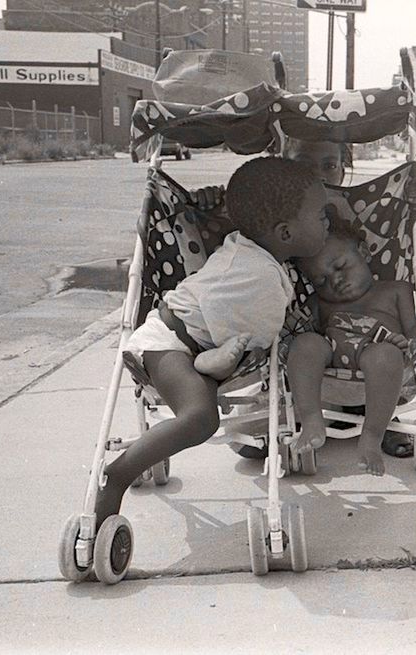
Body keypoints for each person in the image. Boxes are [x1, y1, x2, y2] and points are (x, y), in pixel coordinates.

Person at [93, 158, 329, 527]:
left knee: (205, 397)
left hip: (192, 347)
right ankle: (117, 475)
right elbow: (262, 335)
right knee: (200, 418)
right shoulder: (257, 274)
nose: (327, 222)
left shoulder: (251, 248)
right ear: (284, 234)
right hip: (168, 343)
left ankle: (210, 365)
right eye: (321, 216)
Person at [195, 138, 416, 458]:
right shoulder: (281, 226)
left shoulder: (368, 223)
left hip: (379, 370)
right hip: (321, 377)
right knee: (244, 437)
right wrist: (210, 210)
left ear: (344, 168)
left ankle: (376, 421)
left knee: (382, 358)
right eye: (304, 166)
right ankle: (318, 419)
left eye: (329, 166)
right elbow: (243, 245)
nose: (318, 175)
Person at [286, 221, 416, 476]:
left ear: (364, 252)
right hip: (333, 363)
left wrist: (413, 346)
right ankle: (311, 418)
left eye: (340, 266)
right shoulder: (320, 303)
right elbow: (299, 331)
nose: (335, 280)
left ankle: (372, 437)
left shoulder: (395, 290)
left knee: (385, 355)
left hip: (380, 356)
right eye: (321, 280)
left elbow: (414, 327)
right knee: (305, 343)